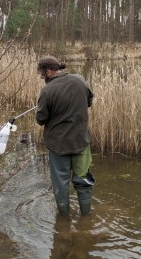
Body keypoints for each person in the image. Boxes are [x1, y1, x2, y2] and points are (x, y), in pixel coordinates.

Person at [35, 56, 95, 216]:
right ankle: (86, 219)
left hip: (58, 146)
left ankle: (63, 222)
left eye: (42, 75)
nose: (42, 78)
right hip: (81, 142)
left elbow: (40, 120)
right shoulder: (80, 80)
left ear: (48, 71)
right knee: (83, 182)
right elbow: (89, 101)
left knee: (61, 185)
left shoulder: (46, 91)